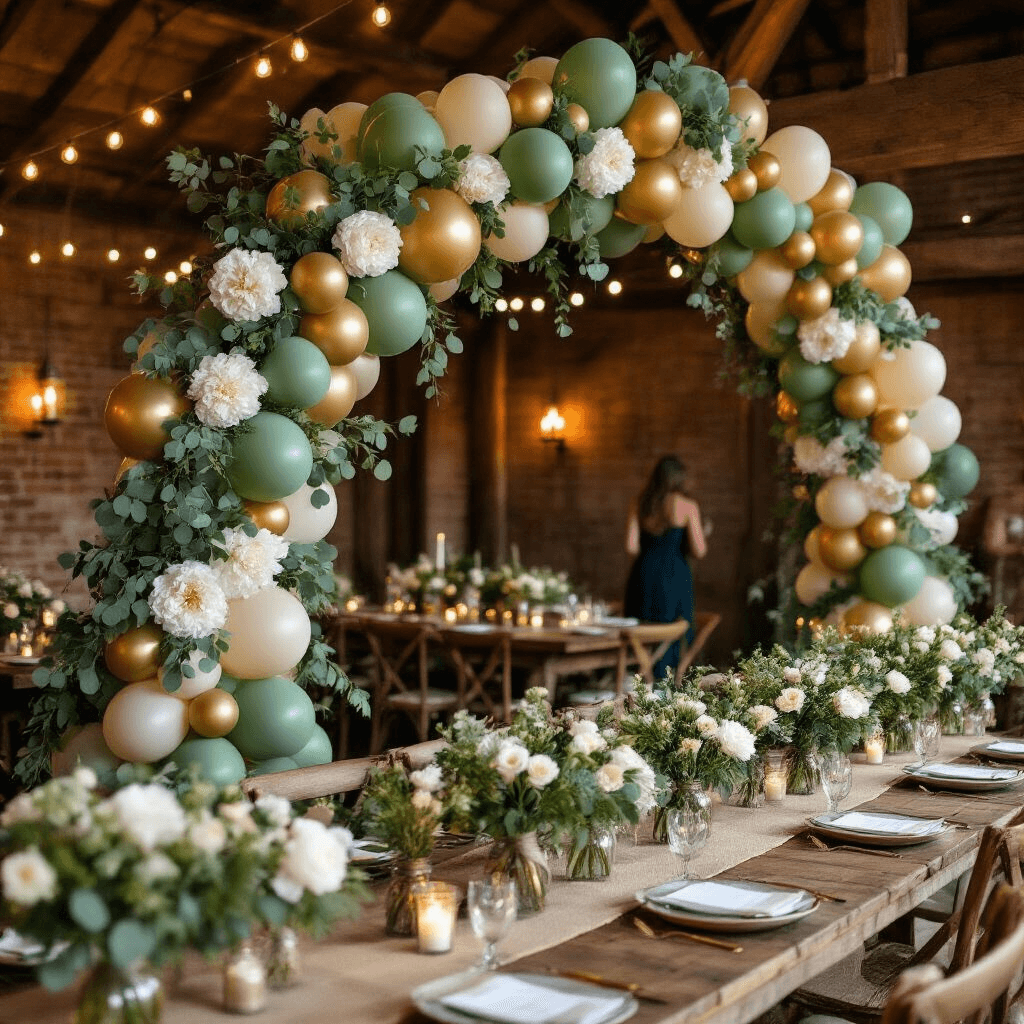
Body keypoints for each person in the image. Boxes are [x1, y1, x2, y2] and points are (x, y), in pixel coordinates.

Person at [624, 455, 707, 681]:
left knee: (642, 632)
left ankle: (642, 685)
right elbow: (700, 551)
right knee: (673, 634)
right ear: (680, 479)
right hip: (675, 576)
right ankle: (668, 687)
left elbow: (631, 546)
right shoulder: (688, 506)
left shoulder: (640, 503)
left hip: (644, 574)